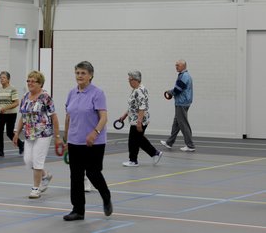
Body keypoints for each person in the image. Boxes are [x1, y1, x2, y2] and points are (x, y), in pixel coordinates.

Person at [63, 61, 112, 221]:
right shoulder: (71, 93)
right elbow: (68, 115)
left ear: (90, 75)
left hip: (94, 142)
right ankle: (78, 210)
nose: (80, 76)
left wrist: (95, 132)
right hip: (74, 141)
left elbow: (103, 117)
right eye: (77, 73)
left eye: (83, 73)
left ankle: (105, 196)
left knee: (92, 173)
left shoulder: (97, 93)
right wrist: (66, 136)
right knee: (75, 176)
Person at [13, 70, 62, 199]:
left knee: (37, 161)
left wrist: (57, 137)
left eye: (33, 81)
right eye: (28, 81)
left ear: (40, 84)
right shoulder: (25, 97)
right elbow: (22, 117)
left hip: (44, 133)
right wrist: (16, 132)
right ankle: (45, 175)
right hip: (29, 134)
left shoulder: (45, 97)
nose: (30, 83)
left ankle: (35, 189)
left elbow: (54, 118)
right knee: (28, 161)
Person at [119, 70, 162, 167]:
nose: (129, 82)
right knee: (139, 139)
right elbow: (133, 106)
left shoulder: (139, 91)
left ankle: (133, 160)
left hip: (138, 120)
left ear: (135, 80)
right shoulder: (136, 89)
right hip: (136, 119)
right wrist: (125, 115)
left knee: (133, 141)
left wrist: (139, 122)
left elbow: (142, 107)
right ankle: (155, 153)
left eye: (130, 80)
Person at [160, 59, 195, 152]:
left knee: (183, 124)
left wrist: (169, 92)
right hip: (181, 102)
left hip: (182, 103)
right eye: (175, 65)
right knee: (176, 123)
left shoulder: (184, 76)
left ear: (183, 66)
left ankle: (190, 145)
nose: (176, 67)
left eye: (178, 65)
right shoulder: (183, 75)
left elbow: (178, 89)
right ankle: (169, 143)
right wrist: (172, 92)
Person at [0, 71, 23, 158]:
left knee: (9, 133)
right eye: (0, 78)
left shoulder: (12, 89)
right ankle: (0, 151)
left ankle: (21, 145)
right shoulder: (0, 89)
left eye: (4, 78)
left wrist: (5, 108)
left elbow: (16, 103)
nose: (1, 79)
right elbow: (1, 103)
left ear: (8, 79)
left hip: (11, 114)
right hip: (1, 113)